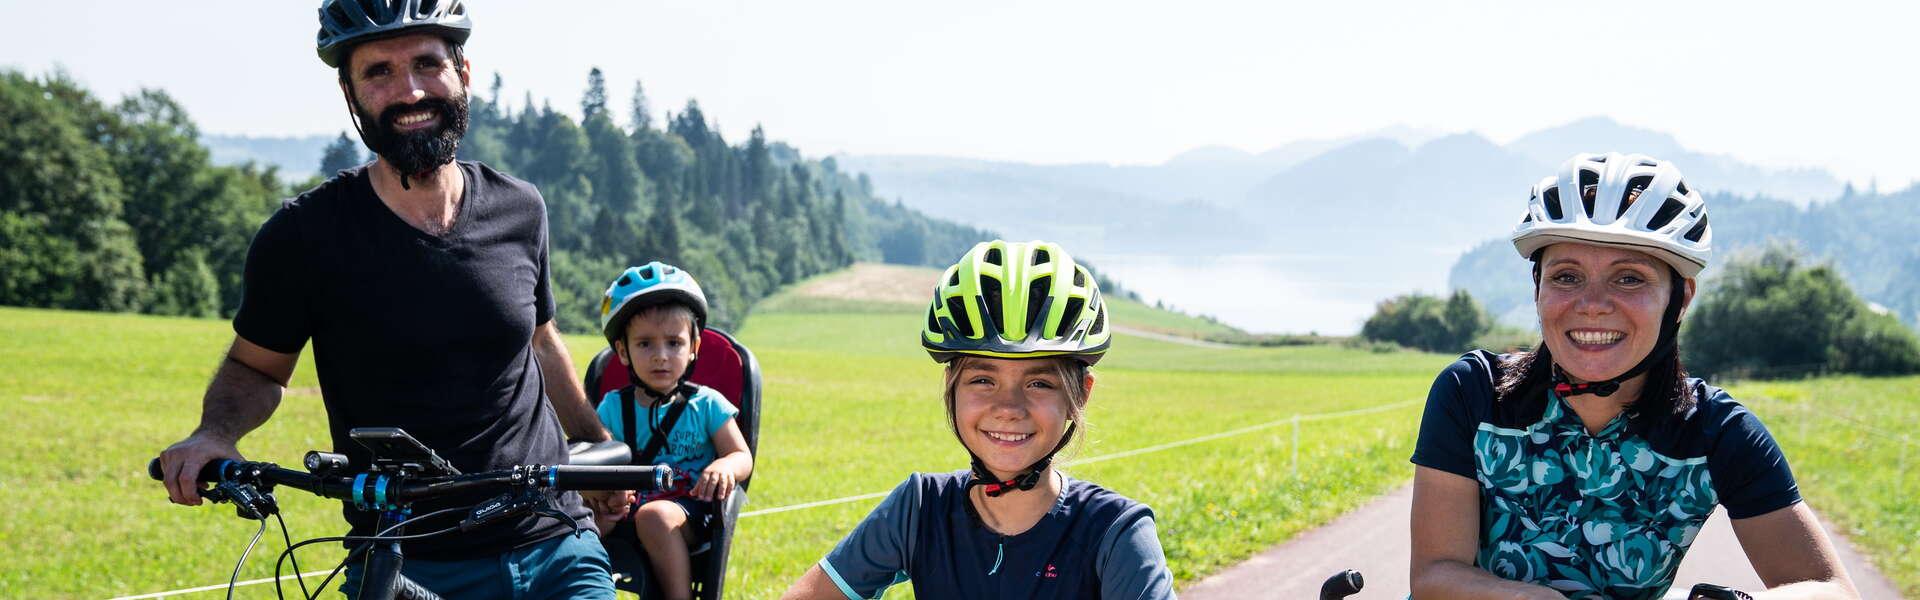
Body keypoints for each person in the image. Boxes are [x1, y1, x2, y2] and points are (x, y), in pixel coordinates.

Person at [153, 1, 618, 597]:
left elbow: (540, 343)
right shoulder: (303, 236)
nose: (410, 91)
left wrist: (599, 447)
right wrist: (215, 433)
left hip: (554, 540)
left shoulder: (520, 208)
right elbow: (254, 366)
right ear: (349, 92)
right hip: (406, 559)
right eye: (379, 73)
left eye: (427, 63)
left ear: (464, 73)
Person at [1408, 153, 1858, 599]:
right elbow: (1435, 574)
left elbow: (1833, 590)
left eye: (1629, 279)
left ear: (1679, 300)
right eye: (1566, 276)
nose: (1593, 304)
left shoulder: (1715, 432)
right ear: (1538, 287)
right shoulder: (1474, 393)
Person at [780, 240, 1177, 600]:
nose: (1008, 407)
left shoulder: (1115, 533)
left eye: (1039, 383)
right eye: (983, 379)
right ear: (951, 388)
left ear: (1080, 395)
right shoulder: (920, 509)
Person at [587, 262, 753, 600]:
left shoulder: (708, 404)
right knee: (581, 525)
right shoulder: (612, 407)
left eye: (674, 343)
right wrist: (603, 498)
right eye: (645, 344)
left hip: (690, 510)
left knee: (655, 517)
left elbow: (740, 455)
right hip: (627, 508)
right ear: (623, 351)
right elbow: (593, 460)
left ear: (694, 347)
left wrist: (724, 466)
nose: (660, 356)